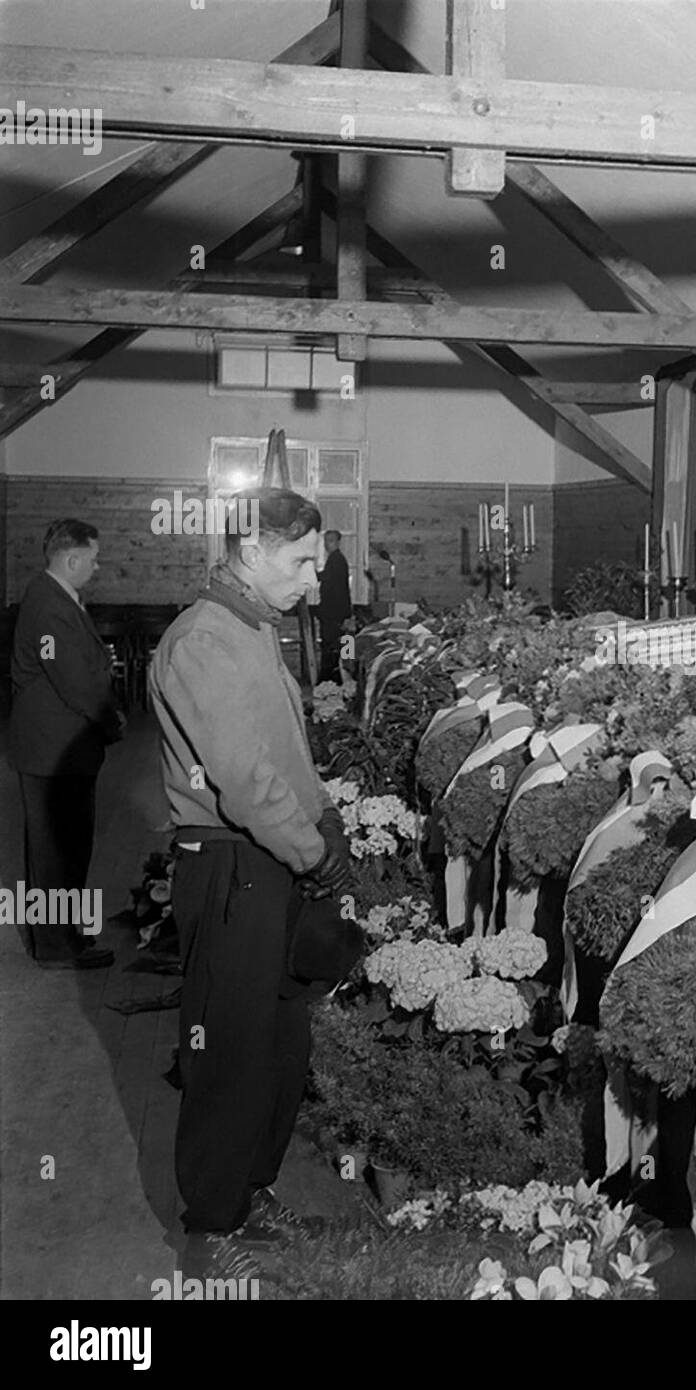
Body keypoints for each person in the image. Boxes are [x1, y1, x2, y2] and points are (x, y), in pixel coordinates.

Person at [148, 488, 351, 1277]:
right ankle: (208, 1234)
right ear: (251, 547)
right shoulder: (204, 639)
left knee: (277, 1045)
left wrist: (324, 815)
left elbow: (283, 751)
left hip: (271, 862)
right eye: (302, 562)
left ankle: (249, 1191)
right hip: (232, 866)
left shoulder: (250, 624)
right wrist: (311, 850)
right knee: (228, 1053)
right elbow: (240, 779)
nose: (313, 580)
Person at [9, 519, 123, 969]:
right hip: (52, 750)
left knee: (65, 848)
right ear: (71, 558)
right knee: (55, 852)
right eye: (92, 560)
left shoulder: (54, 599)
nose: (95, 568)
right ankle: (57, 945)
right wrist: (111, 720)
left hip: (58, 748)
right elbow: (71, 679)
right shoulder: (49, 606)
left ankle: (66, 935)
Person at [316, 529, 352, 684]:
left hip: (334, 612)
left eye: (330, 541)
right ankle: (333, 679)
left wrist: (310, 573)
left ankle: (329, 680)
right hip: (334, 611)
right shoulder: (334, 559)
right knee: (335, 646)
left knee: (332, 647)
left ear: (337, 542)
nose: (326, 544)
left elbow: (326, 578)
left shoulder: (337, 559)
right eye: (325, 541)